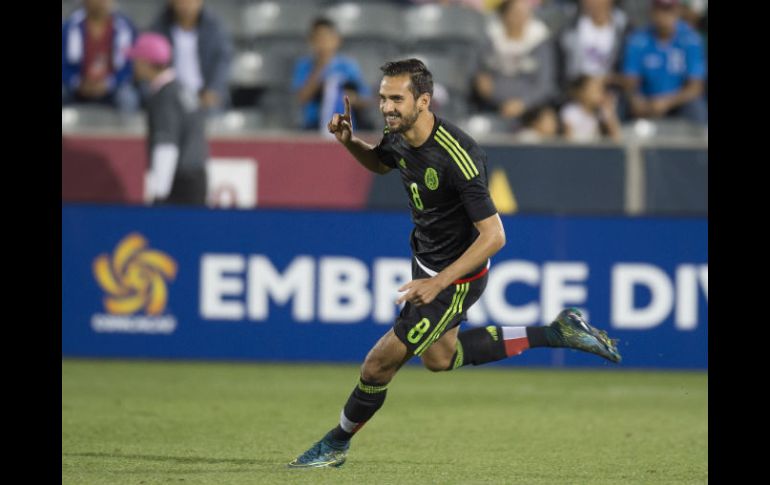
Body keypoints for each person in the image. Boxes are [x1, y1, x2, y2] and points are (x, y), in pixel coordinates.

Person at [288, 58, 621, 469]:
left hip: (456, 277)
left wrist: (440, 283)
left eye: (396, 99)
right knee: (439, 359)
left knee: (376, 367)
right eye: (383, 98)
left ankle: (335, 444)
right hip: (427, 262)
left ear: (423, 101)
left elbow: (494, 236)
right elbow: (381, 163)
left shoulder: (457, 156)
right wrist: (349, 142)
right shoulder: (398, 134)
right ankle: (555, 333)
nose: (386, 107)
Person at [125, 33, 209, 206]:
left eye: (136, 59)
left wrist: (159, 194)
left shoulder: (165, 96)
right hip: (195, 177)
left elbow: (166, 145)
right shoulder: (181, 89)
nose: (133, 64)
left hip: (179, 183)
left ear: (146, 62)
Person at [620, 0, 707, 124]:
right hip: (647, 102)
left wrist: (666, 102)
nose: (665, 15)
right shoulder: (638, 40)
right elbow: (630, 81)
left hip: (678, 103)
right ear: (652, 12)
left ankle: (700, 136)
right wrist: (636, 100)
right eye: (660, 9)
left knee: (696, 107)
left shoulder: (691, 39)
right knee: (622, 103)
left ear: (678, 11)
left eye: (669, 9)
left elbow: (696, 87)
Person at [472, 0, 557, 125]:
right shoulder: (490, 37)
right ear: (504, 15)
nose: (520, 18)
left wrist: (523, 104)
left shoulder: (540, 41)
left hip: (531, 109)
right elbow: (479, 71)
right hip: (493, 105)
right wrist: (481, 80)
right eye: (516, 13)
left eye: (525, 13)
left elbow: (545, 85)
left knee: (547, 122)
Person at [150, 0, 233, 114]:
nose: (186, 6)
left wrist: (213, 89)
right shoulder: (159, 27)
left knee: (213, 112)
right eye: (181, 2)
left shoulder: (214, 26)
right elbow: (150, 66)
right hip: (171, 94)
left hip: (204, 93)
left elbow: (222, 61)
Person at [292, 17, 372, 132]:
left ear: (337, 40)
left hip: (346, 124)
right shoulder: (304, 65)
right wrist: (321, 66)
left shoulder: (348, 65)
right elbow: (302, 98)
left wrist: (351, 99)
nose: (323, 43)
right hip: (314, 126)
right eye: (318, 39)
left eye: (327, 38)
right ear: (311, 42)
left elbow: (365, 99)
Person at [62, 0, 139, 113]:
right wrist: (78, 83)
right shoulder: (69, 26)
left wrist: (109, 83)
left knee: (128, 97)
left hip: (113, 87)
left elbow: (130, 66)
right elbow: (63, 65)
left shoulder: (125, 27)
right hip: (78, 86)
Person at [556, 0, 630, 91]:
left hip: (611, 92)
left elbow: (630, 76)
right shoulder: (567, 30)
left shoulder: (626, 32)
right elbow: (561, 72)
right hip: (575, 92)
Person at [560, 75, 621, 142]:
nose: (599, 94)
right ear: (581, 92)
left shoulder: (601, 112)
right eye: (594, 90)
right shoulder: (571, 111)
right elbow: (568, 140)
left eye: (600, 90)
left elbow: (617, 139)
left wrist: (609, 113)